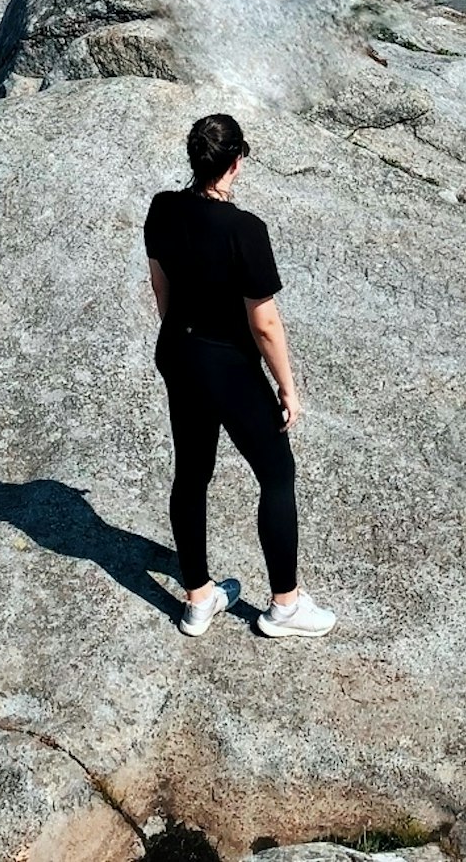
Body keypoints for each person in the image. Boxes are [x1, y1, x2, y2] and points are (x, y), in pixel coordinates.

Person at [144, 111, 332, 640]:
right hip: (227, 364)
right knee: (276, 474)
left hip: (179, 352)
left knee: (192, 472)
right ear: (235, 162)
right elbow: (265, 322)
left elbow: (161, 287)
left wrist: (185, 342)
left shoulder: (162, 208)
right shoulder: (244, 230)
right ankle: (285, 608)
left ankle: (199, 599)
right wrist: (288, 387)